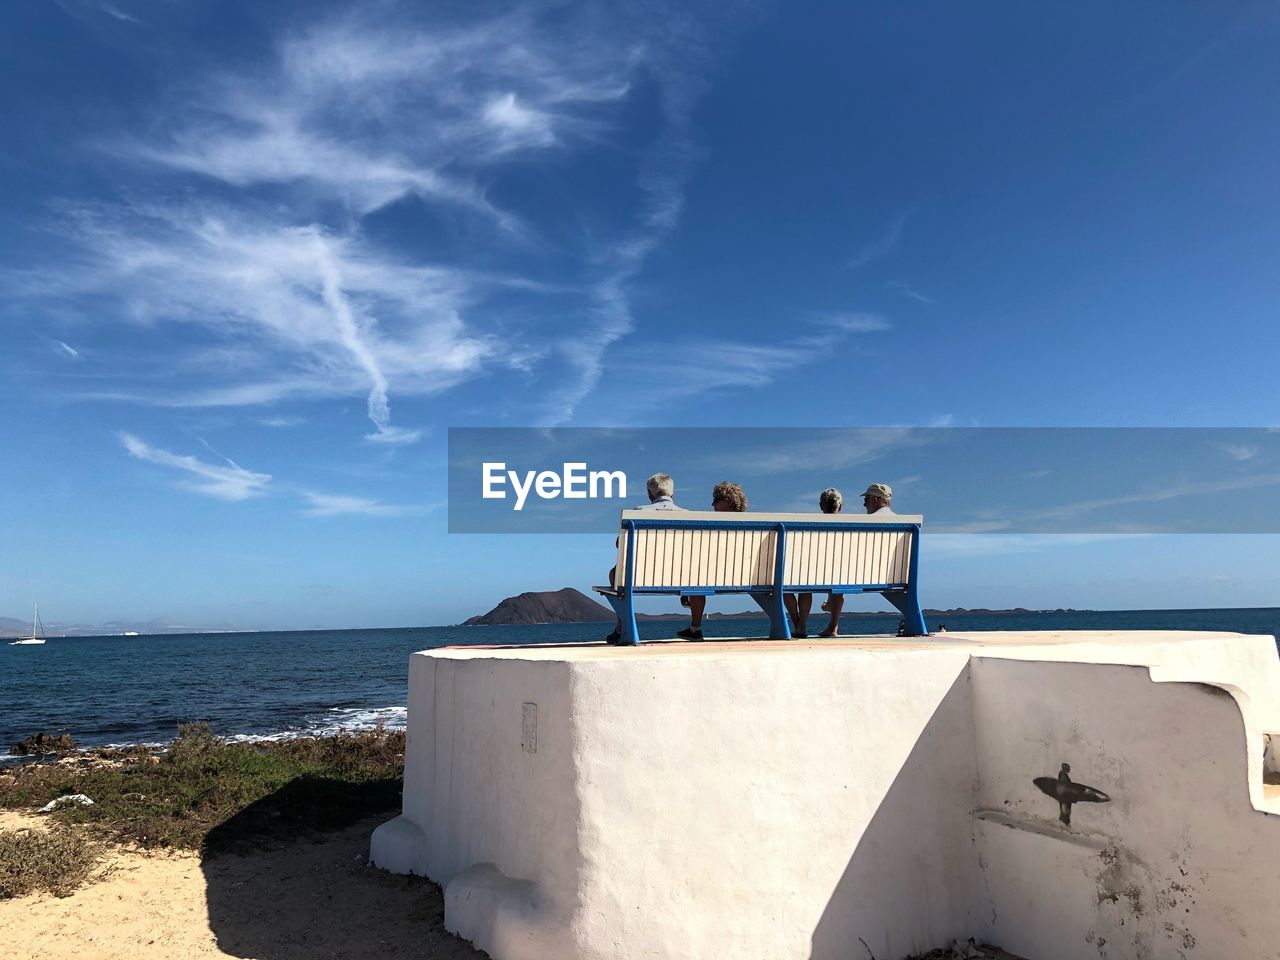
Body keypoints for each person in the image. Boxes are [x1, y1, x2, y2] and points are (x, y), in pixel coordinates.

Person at [604, 473, 685, 644]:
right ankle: (695, 627)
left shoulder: (638, 513)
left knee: (614, 573)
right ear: (672, 494)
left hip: (642, 575)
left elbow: (621, 544)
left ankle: (621, 628)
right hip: (682, 574)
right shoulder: (688, 515)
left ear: (650, 494)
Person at [819, 482, 896, 637]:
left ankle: (832, 626)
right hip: (892, 576)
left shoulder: (870, 521)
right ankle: (831, 617)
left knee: (837, 572)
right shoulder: (900, 521)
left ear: (875, 500)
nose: (864, 503)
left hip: (863, 575)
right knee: (838, 572)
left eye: (866, 499)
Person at [678, 481, 748, 640]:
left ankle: (695, 627)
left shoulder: (716, 524)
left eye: (716, 501)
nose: (713, 505)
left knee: (695, 579)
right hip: (749, 576)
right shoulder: (753, 525)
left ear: (728, 501)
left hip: (718, 575)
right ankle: (795, 626)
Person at [784, 487, 842, 638]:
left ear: (821, 506)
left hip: (813, 572)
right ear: (840, 507)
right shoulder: (847, 527)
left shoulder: (814, 526)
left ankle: (799, 624)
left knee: (798, 583)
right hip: (841, 574)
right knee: (839, 583)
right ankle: (833, 627)